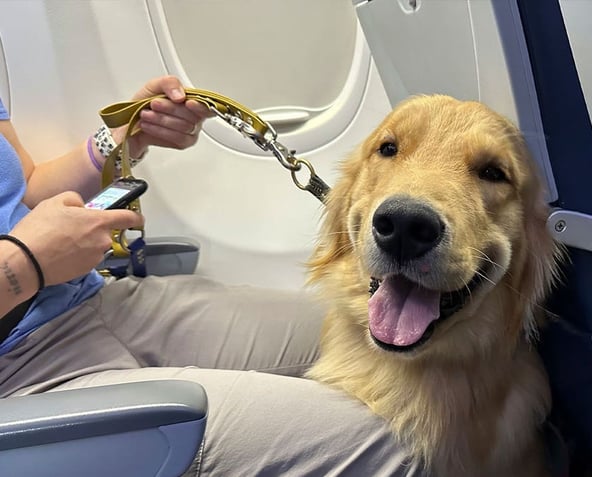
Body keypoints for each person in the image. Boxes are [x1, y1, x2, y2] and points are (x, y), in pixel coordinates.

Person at [0, 76, 421, 476]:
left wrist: (125, 137)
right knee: (398, 448)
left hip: (86, 301)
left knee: (387, 344)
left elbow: (25, 190)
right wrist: (24, 263)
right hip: (20, 372)